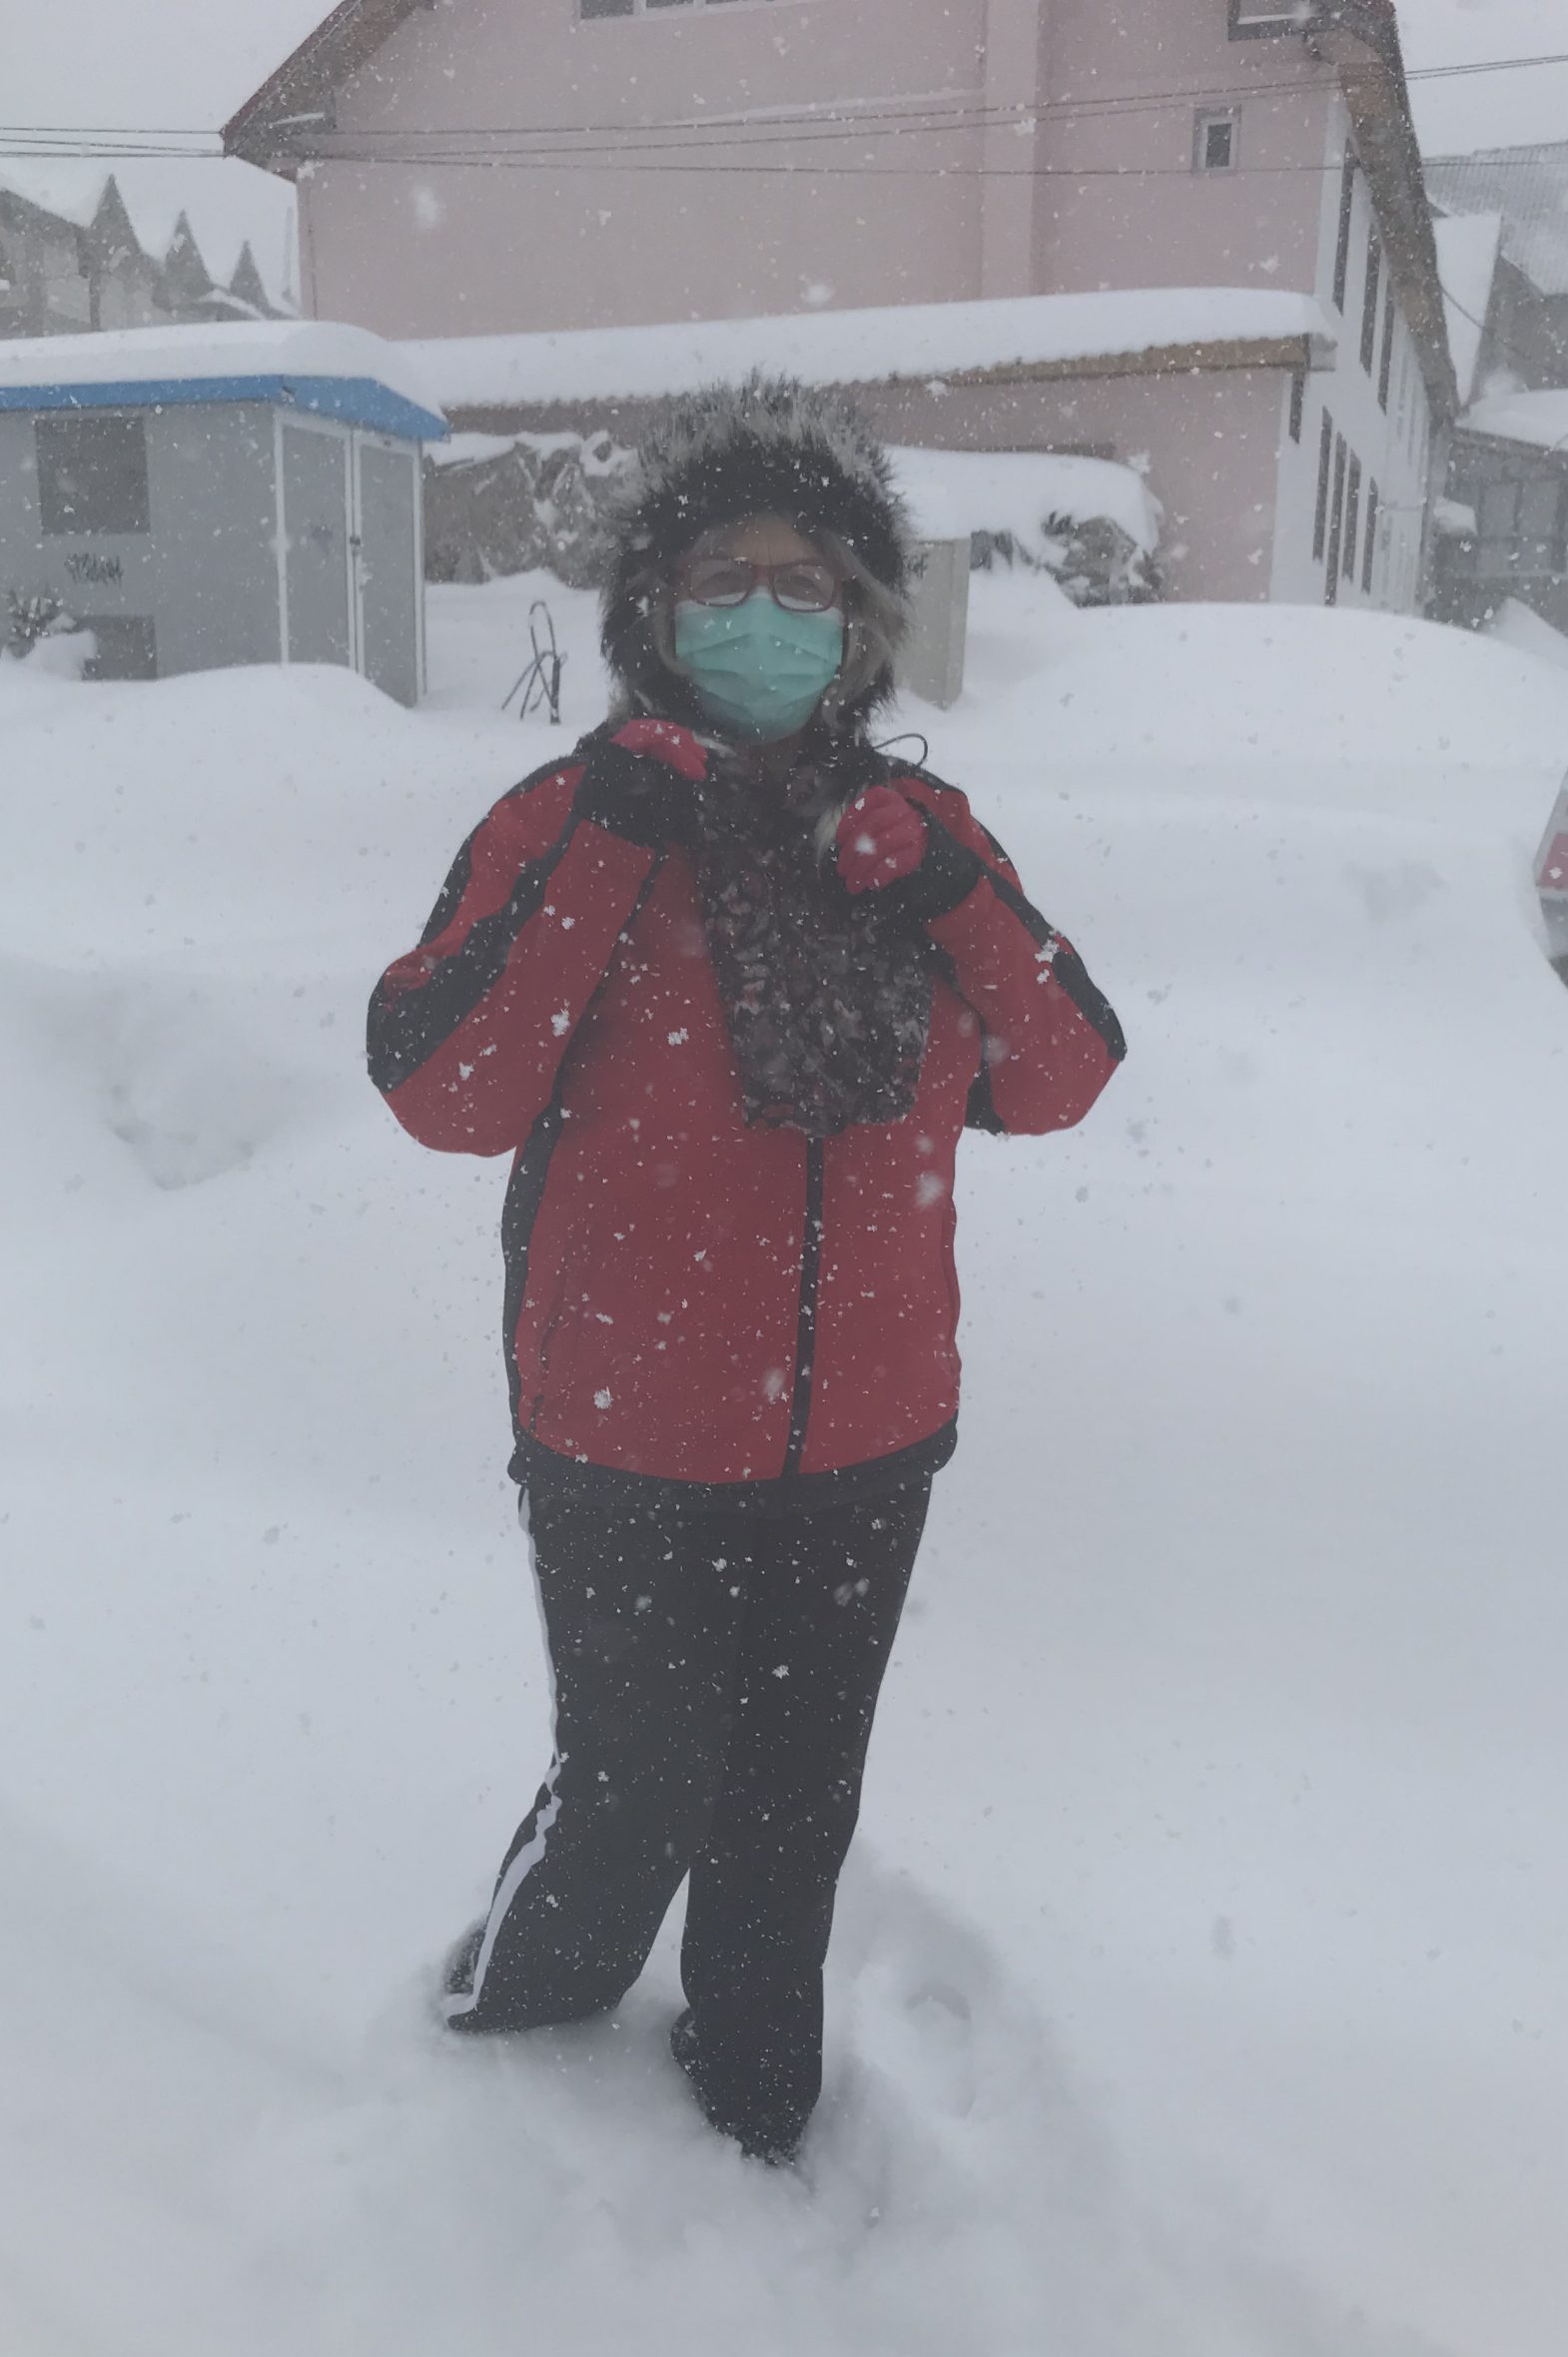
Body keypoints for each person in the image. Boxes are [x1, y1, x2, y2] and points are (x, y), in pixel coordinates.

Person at [367, 376, 1125, 2165]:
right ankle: (513, 2030)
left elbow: (1061, 1075)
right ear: (655, 607)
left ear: (861, 623)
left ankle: (758, 2096)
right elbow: (450, 1093)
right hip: (623, 1434)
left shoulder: (925, 836)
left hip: (867, 1437)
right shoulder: (568, 817)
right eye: (726, 577)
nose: (766, 614)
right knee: (632, 1794)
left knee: (793, 1809)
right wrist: (613, 846)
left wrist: (946, 895)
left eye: (808, 582)